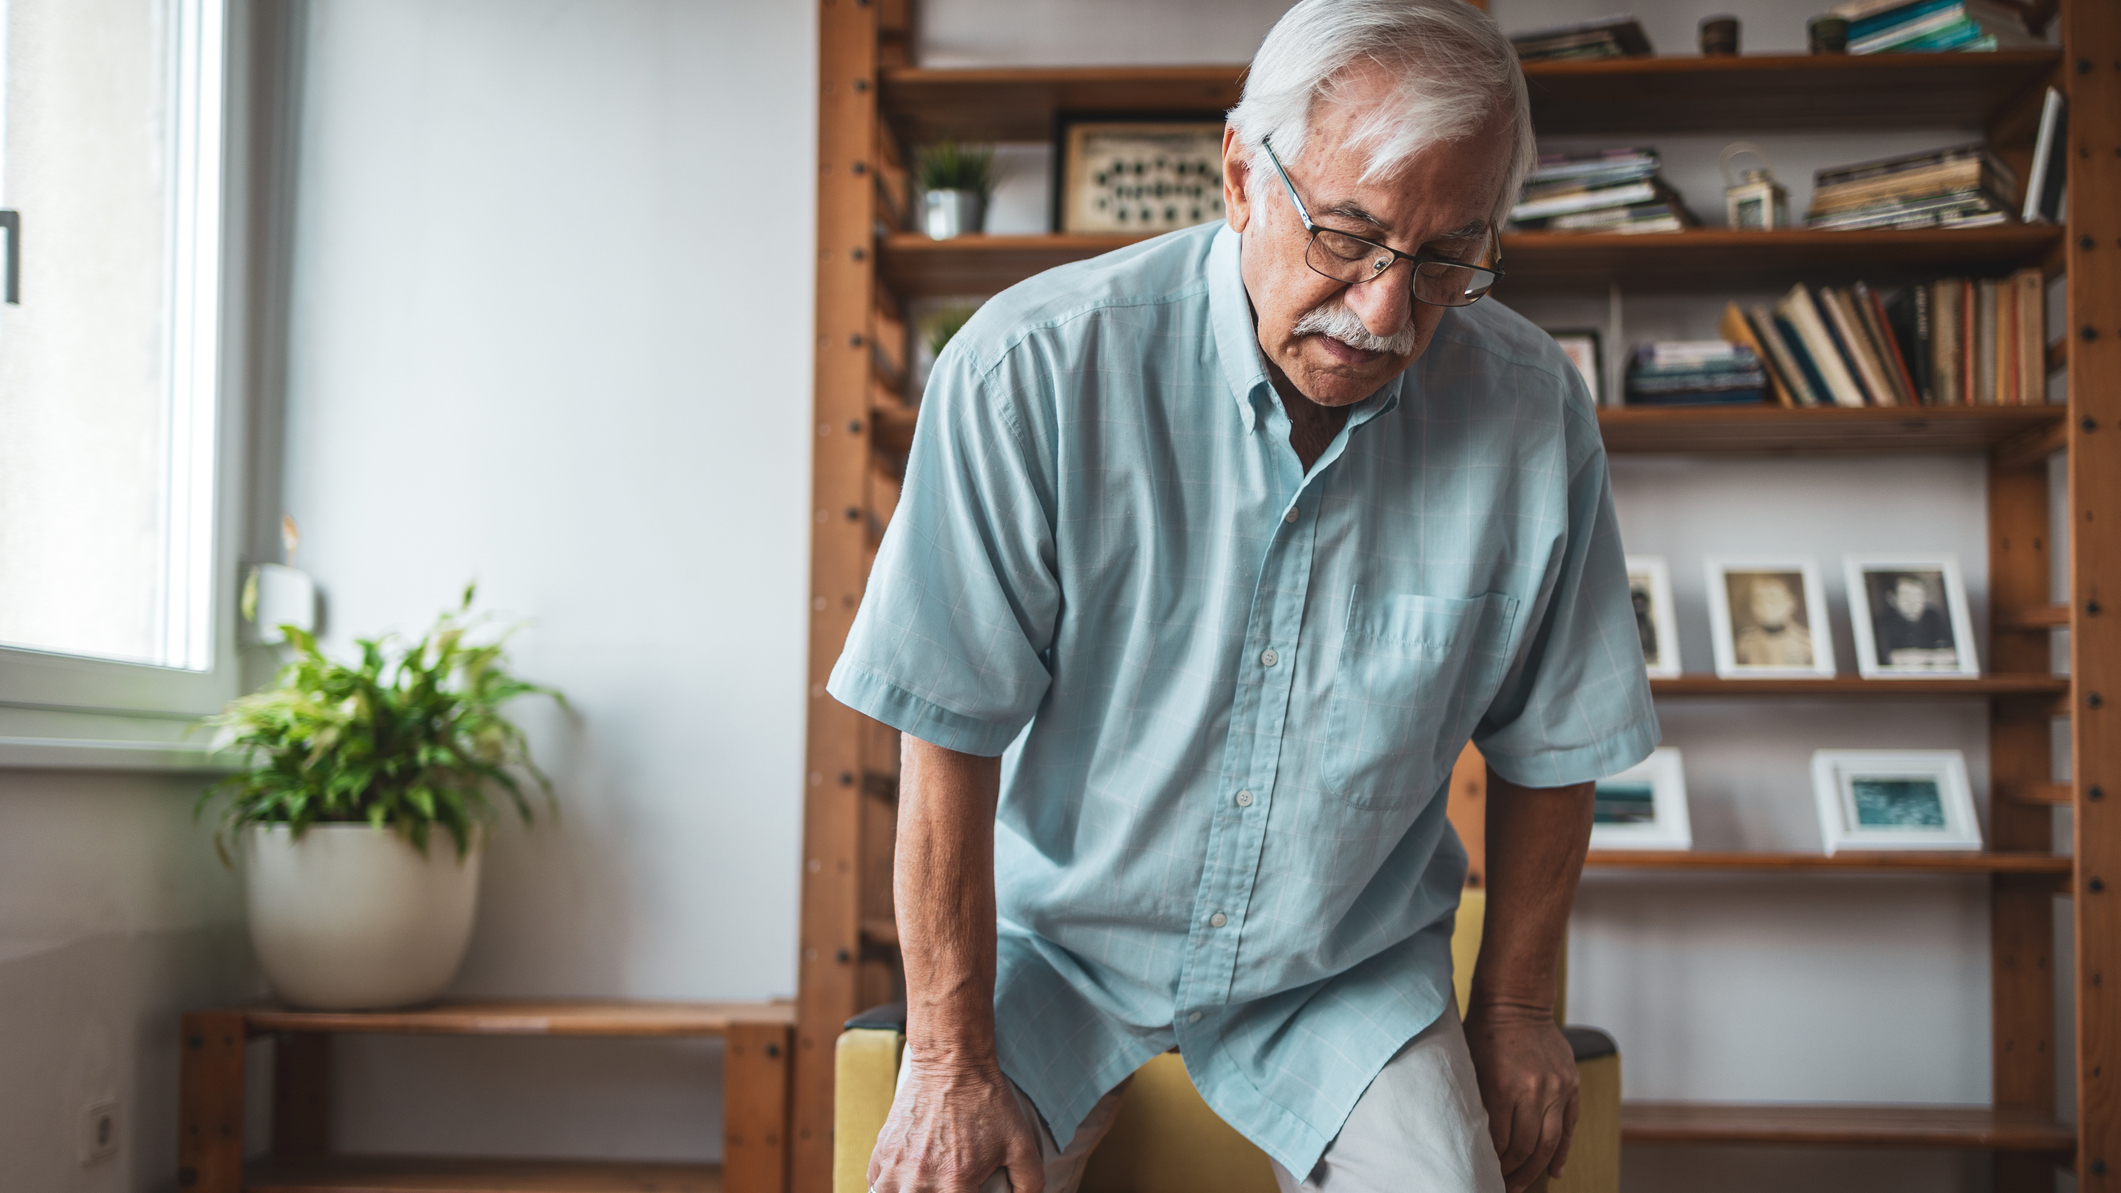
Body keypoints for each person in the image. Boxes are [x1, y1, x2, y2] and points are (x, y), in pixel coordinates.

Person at [828, 3, 1659, 1190]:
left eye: (1443, 261)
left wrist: (1518, 1004)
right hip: (1058, 949)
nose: (1383, 313)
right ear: (1240, 176)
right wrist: (950, 1056)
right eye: (1348, 237)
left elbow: (1557, 740)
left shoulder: (1531, 408)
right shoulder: (1028, 372)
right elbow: (944, 729)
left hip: (1347, 972)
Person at [1872, 572, 1957, 667]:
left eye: (1918, 596)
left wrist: (1917, 657)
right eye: (1906, 597)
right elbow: (1889, 659)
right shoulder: (1882, 621)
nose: (1913, 603)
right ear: (1892, 599)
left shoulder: (1933, 616)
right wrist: (1932, 657)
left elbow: (1953, 654)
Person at [1731, 574, 1813, 668]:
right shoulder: (1744, 644)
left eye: (1772, 599)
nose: (1765, 605)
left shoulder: (1807, 643)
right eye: (1758, 600)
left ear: (1790, 603)